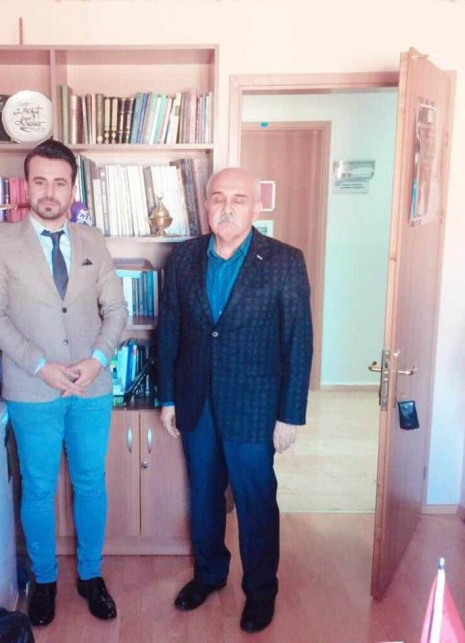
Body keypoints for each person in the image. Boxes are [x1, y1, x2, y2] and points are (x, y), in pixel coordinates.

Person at [0, 139, 128, 626]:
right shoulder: (1, 242)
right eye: (39, 181)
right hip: (32, 389)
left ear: (72, 188)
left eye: (59, 182)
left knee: (91, 482)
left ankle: (90, 575)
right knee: (38, 487)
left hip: (91, 388)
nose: (49, 191)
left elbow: (116, 310)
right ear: (26, 185)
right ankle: (44, 581)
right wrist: (40, 365)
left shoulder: (93, 240)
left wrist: (98, 360)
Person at [157, 167, 313, 633]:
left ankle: (261, 591)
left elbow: (298, 341)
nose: (227, 208)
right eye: (218, 198)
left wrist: (290, 414)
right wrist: (168, 398)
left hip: (255, 407)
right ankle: (209, 575)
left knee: (255, 501)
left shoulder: (285, 261)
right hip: (196, 402)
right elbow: (170, 329)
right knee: (204, 496)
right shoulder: (183, 257)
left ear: (256, 207)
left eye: (239, 199)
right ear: (205, 204)